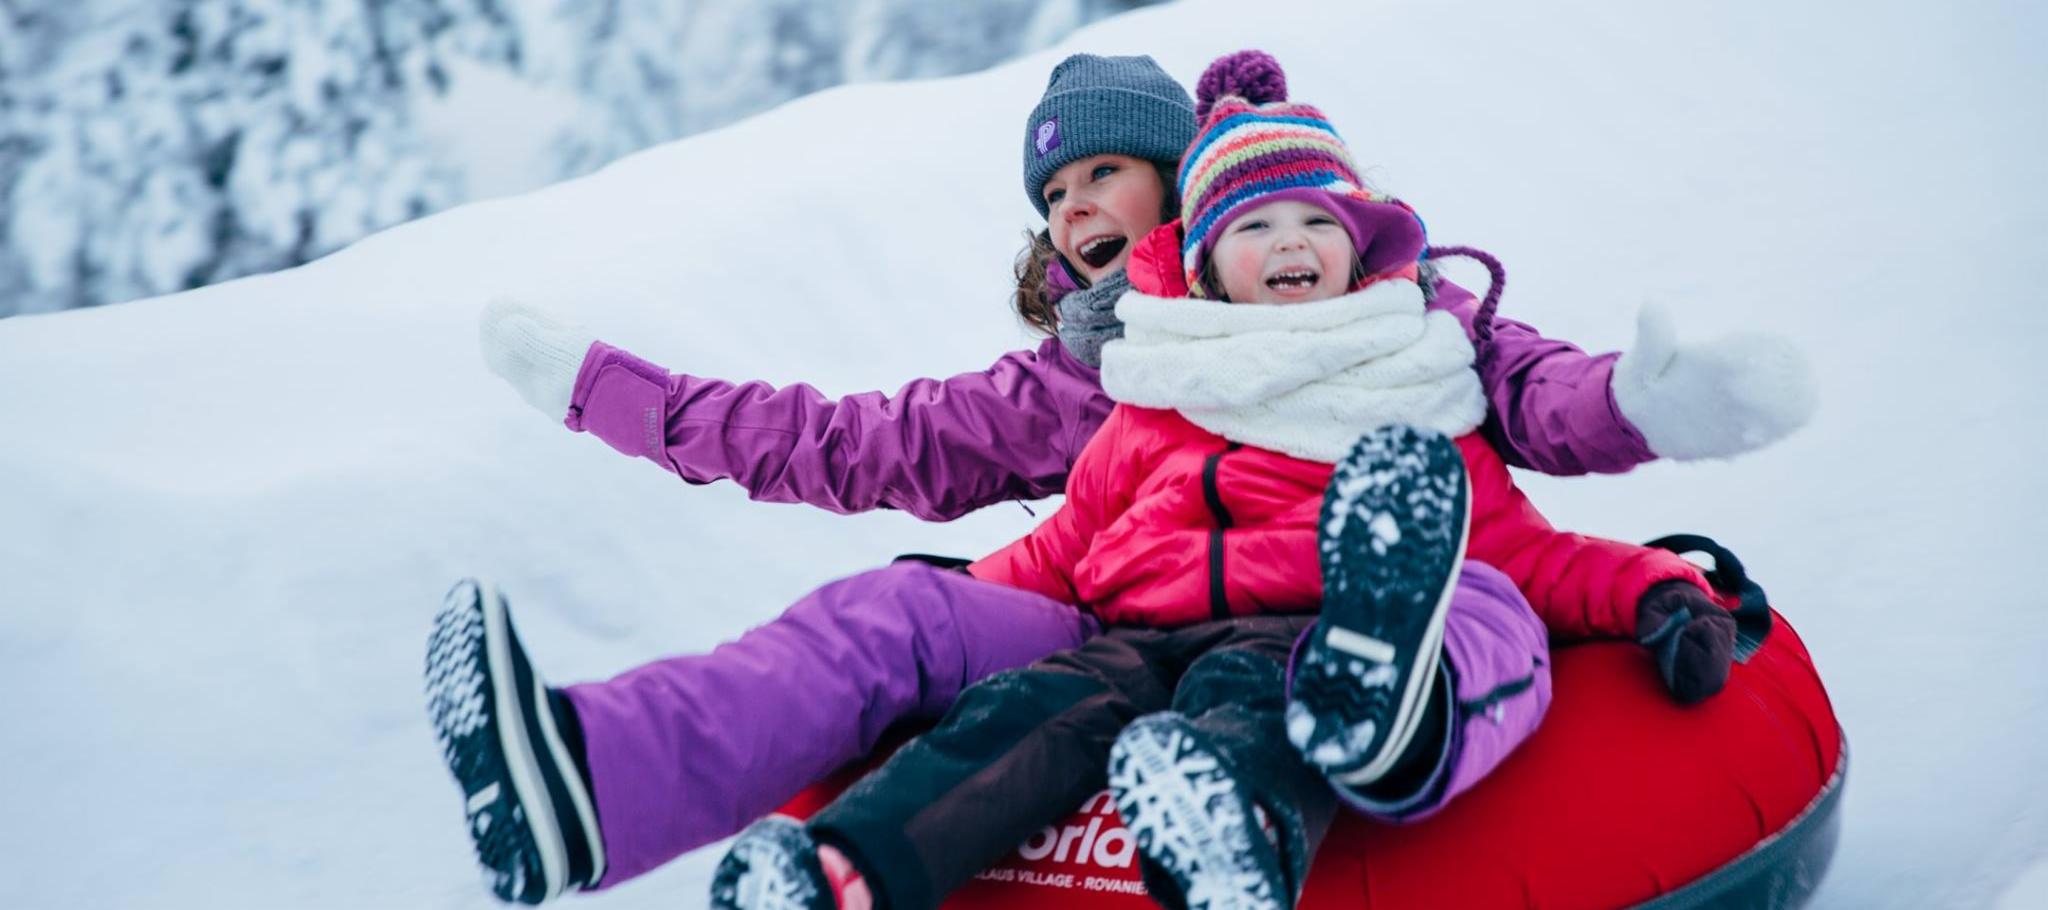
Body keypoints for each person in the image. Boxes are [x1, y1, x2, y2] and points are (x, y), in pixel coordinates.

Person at [427, 51, 1814, 905]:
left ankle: (1375, 716)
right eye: (1053, 197)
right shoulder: (1103, 377)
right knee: (901, 617)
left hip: (1330, 606)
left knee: (1468, 604)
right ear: (1199, 249)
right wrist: (610, 391)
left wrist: (1647, 407)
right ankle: (594, 781)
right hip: (1121, 619)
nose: (1076, 211)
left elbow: (1537, 413)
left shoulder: (1409, 326)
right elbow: (854, 448)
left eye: (1105, 173)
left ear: (1182, 187)